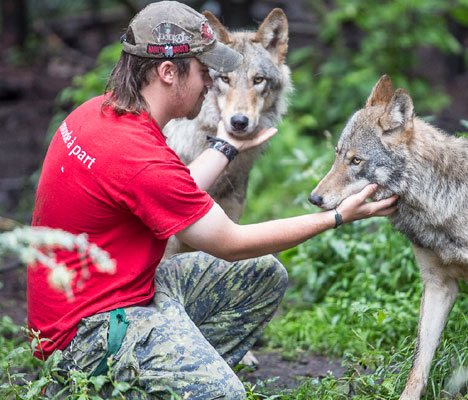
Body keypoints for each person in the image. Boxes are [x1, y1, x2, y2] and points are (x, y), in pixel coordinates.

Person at [27, 1, 398, 399]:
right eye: (206, 73)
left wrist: (225, 144)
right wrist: (338, 216)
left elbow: (176, 187)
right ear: (168, 72)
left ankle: (172, 364)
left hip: (107, 294)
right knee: (226, 395)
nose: (212, 85)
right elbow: (230, 244)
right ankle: (119, 386)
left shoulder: (100, 113)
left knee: (265, 274)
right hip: (86, 337)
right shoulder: (137, 156)